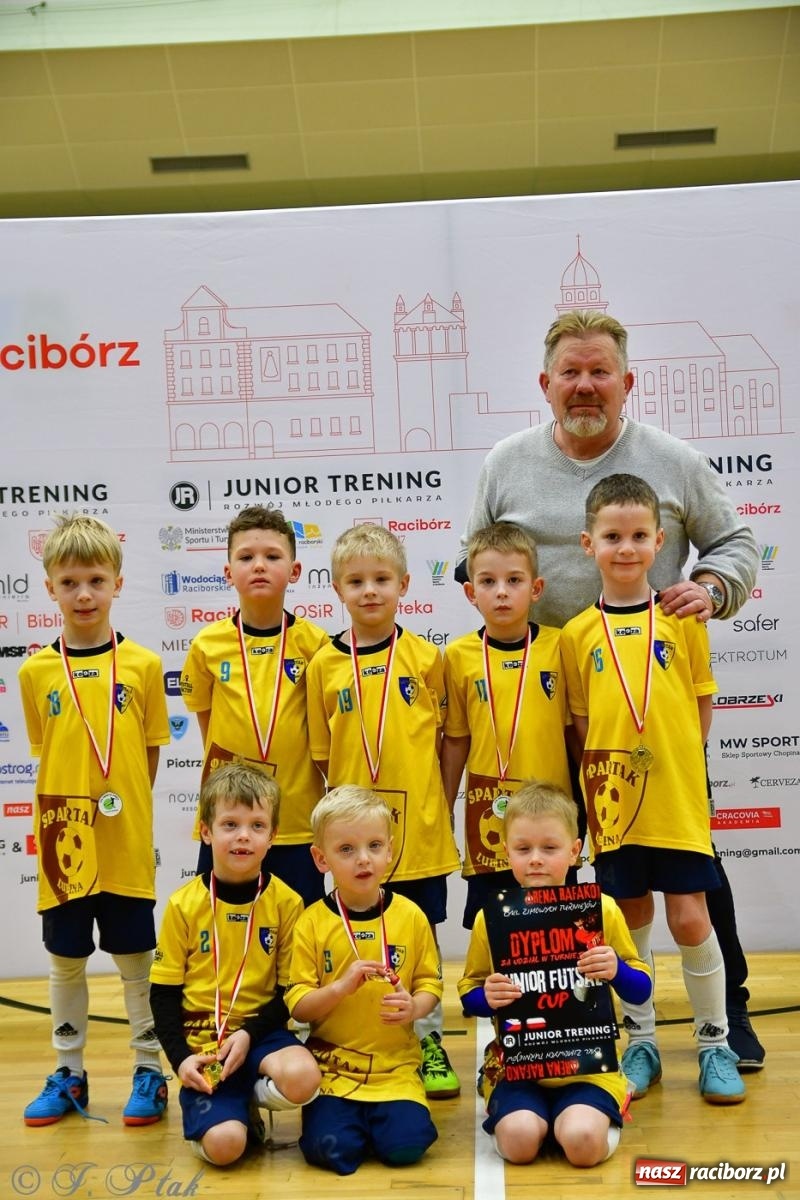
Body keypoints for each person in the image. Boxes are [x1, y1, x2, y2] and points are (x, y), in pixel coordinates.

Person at [457, 308, 763, 1070]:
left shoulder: (674, 460)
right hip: (541, 700)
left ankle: (729, 1018)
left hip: (646, 709)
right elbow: (475, 558)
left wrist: (712, 587)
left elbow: (736, 542)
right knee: (552, 866)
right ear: (546, 383)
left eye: (600, 372)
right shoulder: (505, 462)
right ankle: (568, 1022)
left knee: (691, 878)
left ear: (628, 382)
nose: (585, 386)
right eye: (572, 372)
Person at [560, 473, 745, 1104]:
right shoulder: (577, 634)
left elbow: (700, 704)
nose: (627, 548)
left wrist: (679, 767)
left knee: (691, 916)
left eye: (639, 535)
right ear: (589, 543)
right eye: (613, 536)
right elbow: (582, 725)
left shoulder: (681, 617)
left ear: (660, 541)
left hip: (676, 797)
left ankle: (715, 1043)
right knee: (630, 919)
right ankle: (640, 1042)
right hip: (615, 803)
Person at [18, 515, 171, 1127]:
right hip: (64, 840)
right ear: (50, 588)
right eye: (70, 582)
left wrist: (122, 807)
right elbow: (49, 752)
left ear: (117, 584)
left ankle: (149, 1069)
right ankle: (69, 1071)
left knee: (136, 958)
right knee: (66, 959)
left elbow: (150, 752)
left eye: (96, 581)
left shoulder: (143, 665)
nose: (84, 594)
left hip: (123, 838)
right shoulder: (34, 672)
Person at [305, 524, 461, 1099]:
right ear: (337, 589)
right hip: (355, 840)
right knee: (356, 937)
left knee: (419, 937)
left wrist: (440, 805)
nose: (369, 591)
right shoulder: (323, 665)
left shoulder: (426, 658)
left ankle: (429, 1039)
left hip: (416, 832)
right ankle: (351, 1039)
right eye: (356, 582)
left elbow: (447, 740)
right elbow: (323, 756)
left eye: (381, 579)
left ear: (404, 585)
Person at [458, 782, 652, 1167]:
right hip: (517, 1068)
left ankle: (588, 1119)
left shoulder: (602, 910)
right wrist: (486, 997)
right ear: (506, 851)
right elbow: (469, 994)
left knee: (582, 1145)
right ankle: (530, 1118)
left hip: (588, 1070)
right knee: (519, 1143)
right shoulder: (491, 918)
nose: (535, 860)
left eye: (549, 848)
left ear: (575, 851)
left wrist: (617, 970)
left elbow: (641, 989)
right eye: (523, 849)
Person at [149, 762, 321, 1166]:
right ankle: (227, 1113)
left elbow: (288, 992)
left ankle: (245, 1097)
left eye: (257, 826)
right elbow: (162, 994)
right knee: (226, 1148)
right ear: (206, 831)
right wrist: (181, 1060)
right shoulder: (183, 906)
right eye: (230, 824)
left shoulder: (287, 903)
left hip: (260, 1034)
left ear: (272, 836)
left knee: (304, 1078)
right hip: (204, 1042)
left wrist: (247, 1034)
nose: (243, 836)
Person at [285, 786, 442, 1175]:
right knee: (331, 1151)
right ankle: (353, 1122)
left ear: (390, 850)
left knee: (407, 1148)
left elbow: (430, 985)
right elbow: (299, 1007)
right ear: (321, 859)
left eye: (374, 846)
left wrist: (415, 1007)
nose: (363, 859)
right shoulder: (310, 922)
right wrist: (339, 988)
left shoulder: (411, 916)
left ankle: (382, 1121)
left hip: (395, 1068)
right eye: (346, 849)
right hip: (334, 1068)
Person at [180, 506, 328, 905]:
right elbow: (208, 725)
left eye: (272, 556)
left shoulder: (315, 645)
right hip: (229, 820)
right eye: (246, 557)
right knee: (222, 923)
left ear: (294, 571)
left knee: (301, 927)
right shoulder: (207, 645)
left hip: (296, 822)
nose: (259, 565)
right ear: (229, 572)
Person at [441, 521, 572, 928]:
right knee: (494, 927)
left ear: (536, 588)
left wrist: (584, 804)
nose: (501, 591)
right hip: (489, 816)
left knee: (555, 928)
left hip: (552, 811)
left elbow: (576, 732)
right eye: (488, 581)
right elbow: (456, 740)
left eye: (514, 580)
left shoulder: (560, 646)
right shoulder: (458, 656)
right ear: (470, 592)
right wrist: (443, 806)